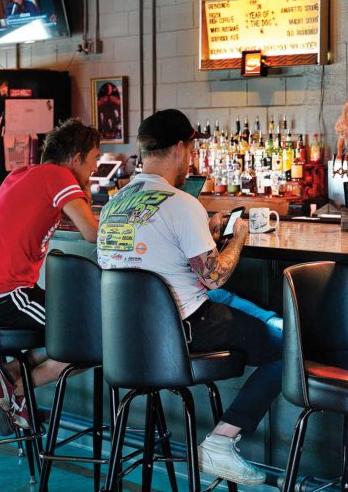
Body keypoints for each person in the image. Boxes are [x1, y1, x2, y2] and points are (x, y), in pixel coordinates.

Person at [97, 109, 279, 486]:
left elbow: (154, 251)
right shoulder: (180, 202)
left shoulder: (114, 203)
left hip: (125, 338)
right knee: (287, 345)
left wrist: (205, 234)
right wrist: (238, 237)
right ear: (181, 148)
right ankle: (221, 441)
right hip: (180, 332)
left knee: (259, 319)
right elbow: (213, 277)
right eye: (191, 150)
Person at [0, 118, 99, 434]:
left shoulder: (20, 174)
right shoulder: (58, 176)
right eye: (94, 158)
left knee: (70, 332)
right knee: (94, 333)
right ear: (76, 157)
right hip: (7, 294)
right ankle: (17, 391)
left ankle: (9, 378)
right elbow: (91, 233)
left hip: (8, 293)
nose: (96, 167)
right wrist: (82, 186)